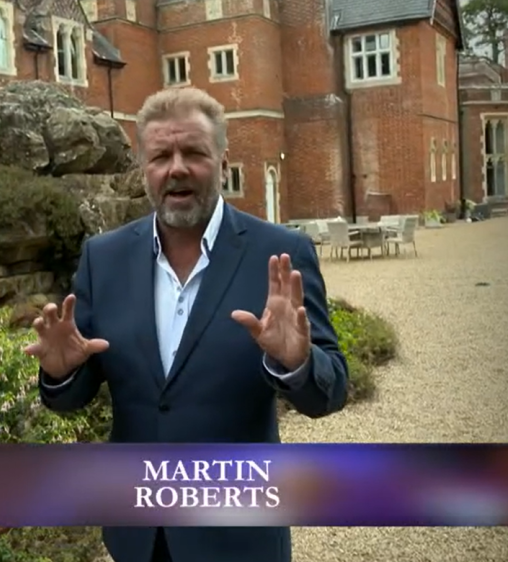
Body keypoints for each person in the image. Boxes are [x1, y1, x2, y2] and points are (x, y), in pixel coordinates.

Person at [25, 87, 348, 562]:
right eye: (160, 155)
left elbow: (331, 391)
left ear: (221, 159)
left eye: (193, 152)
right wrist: (62, 373)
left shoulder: (278, 254)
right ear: (144, 167)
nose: (176, 167)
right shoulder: (104, 258)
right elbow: (77, 393)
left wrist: (298, 363)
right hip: (138, 534)